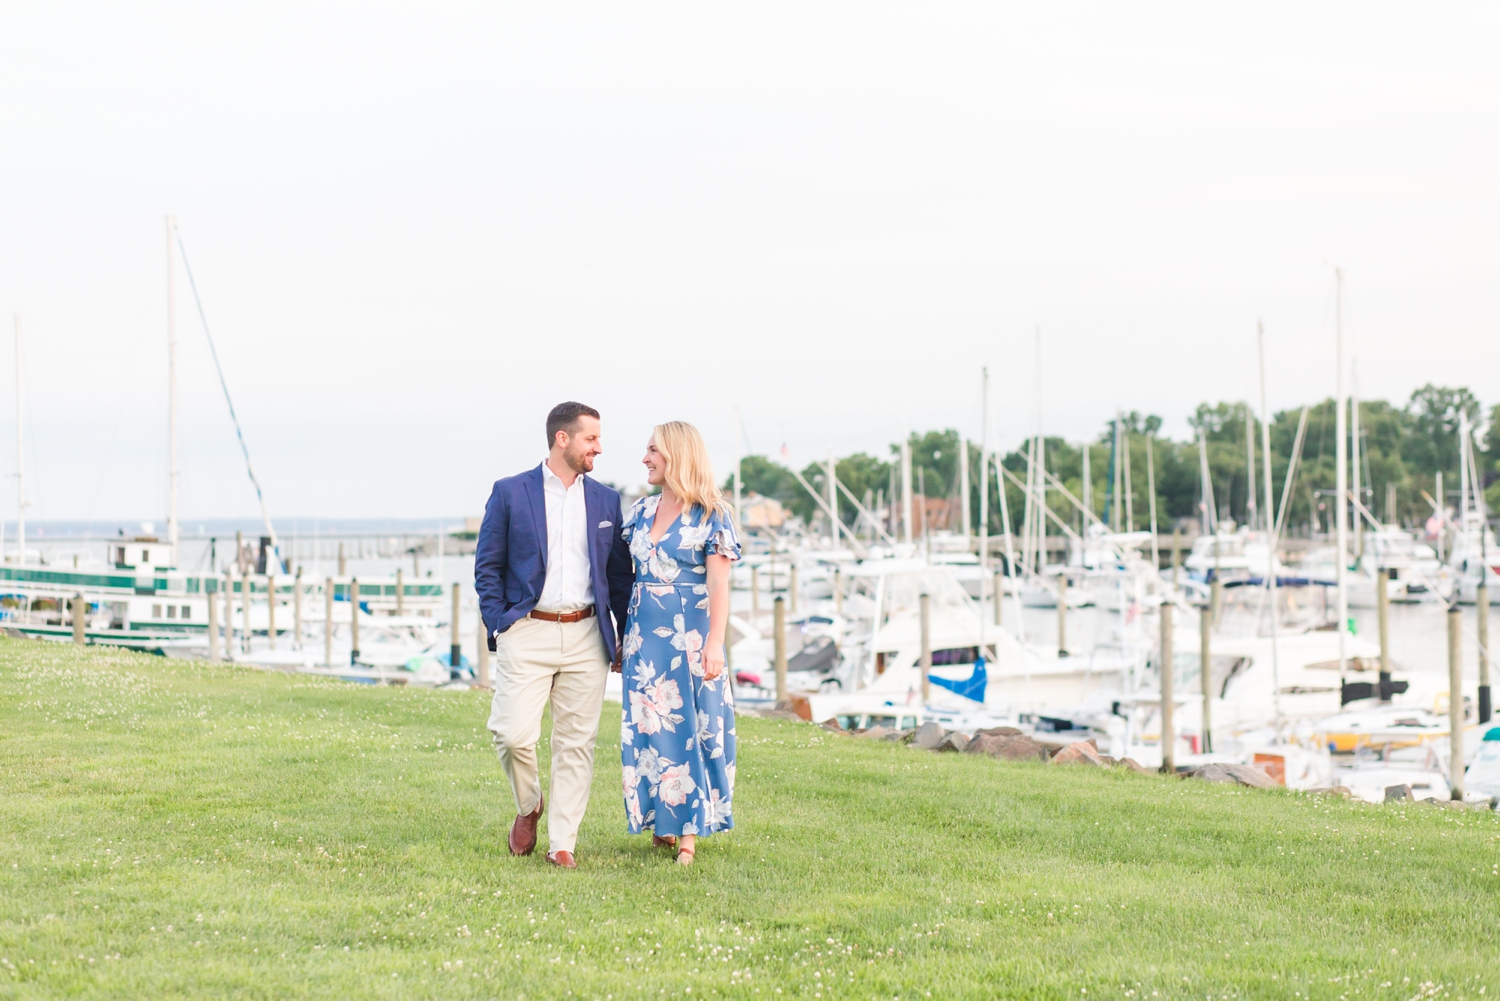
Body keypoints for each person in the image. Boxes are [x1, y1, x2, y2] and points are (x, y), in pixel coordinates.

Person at [475, 402, 634, 869]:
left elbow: (618, 577)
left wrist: (621, 634)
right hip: (527, 630)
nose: (598, 448)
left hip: (587, 634)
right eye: (591, 439)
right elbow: (488, 567)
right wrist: (499, 621)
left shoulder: (606, 500)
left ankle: (562, 843)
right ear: (562, 438)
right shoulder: (509, 492)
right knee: (511, 735)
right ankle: (529, 805)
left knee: (575, 743)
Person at [618, 421, 741, 866]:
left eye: (653, 450)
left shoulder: (712, 514)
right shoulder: (641, 511)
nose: (646, 458)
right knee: (649, 728)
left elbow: (719, 585)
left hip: (690, 636)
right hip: (643, 638)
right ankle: (662, 822)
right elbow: (626, 577)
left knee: (693, 729)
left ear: (676, 455)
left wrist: (715, 643)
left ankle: (689, 831)